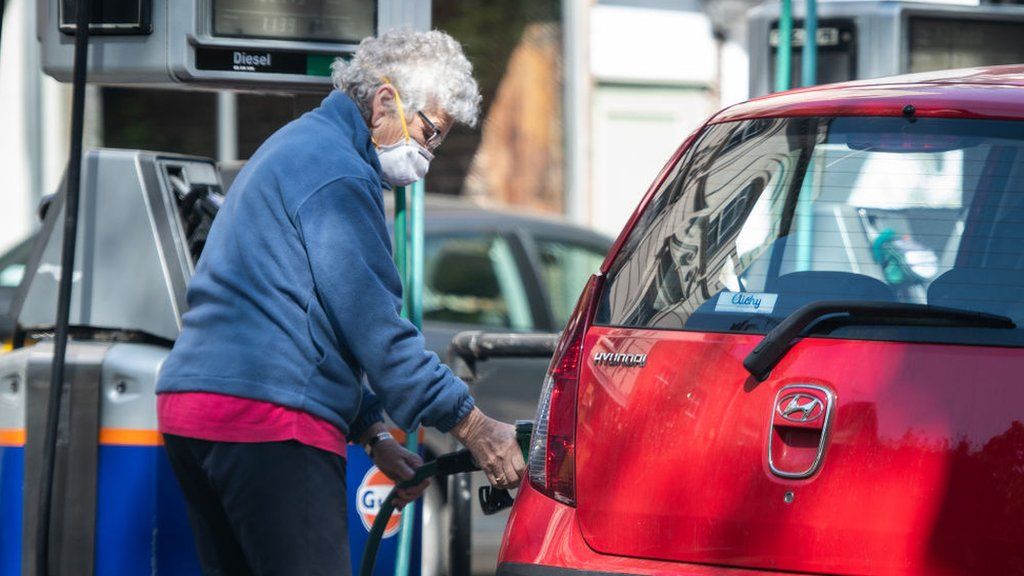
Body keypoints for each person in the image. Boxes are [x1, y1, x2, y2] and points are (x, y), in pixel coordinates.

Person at [155, 29, 526, 576]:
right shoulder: (339, 175)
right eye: (428, 133)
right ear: (384, 101)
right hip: (267, 418)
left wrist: (374, 433)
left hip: (196, 409)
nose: (425, 155)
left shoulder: (298, 145)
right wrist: (473, 426)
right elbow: (379, 334)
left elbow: (307, 316)